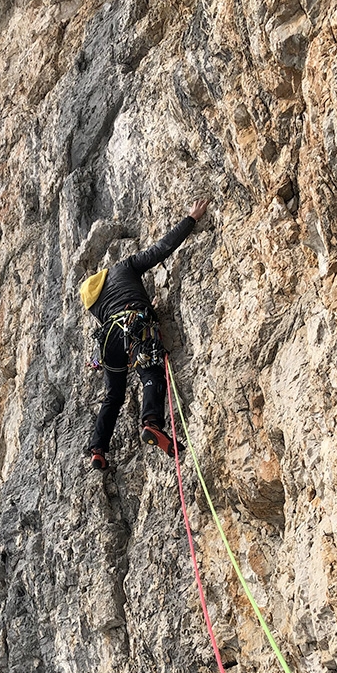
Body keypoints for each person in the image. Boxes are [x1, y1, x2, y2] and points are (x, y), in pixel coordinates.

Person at [80, 198, 210, 470]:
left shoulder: (94, 304)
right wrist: (191, 219)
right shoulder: (122, 268)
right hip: (134, 323)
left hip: (107, 342)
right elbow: (160, 250)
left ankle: (98, 449)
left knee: (113, 395)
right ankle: (152, 423)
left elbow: (111, 315)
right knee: (150, 371)